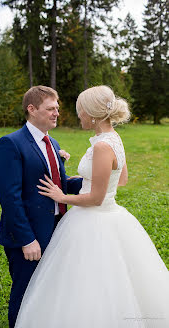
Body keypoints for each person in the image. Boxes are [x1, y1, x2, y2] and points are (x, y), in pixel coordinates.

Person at [15, 85, 169, 328]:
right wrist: (90, 180)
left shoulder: (101, 146)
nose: (79, 117)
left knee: (85, 279)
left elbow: (96, 198)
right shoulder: (114, 138)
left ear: (93, 114)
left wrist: (61, 196)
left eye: (81, 112)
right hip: (113, 214)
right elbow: (123, 179)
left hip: (92, 217)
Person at [0, 85, 82, 328]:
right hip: (29, 235)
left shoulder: (52, 142)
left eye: (57, 108)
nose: (56, 113)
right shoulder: (11, 143)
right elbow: (10, 197)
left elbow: (56, 183)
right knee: (25, 293)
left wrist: (93, 182)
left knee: (48, 291)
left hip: (56, 228)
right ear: (31, 109)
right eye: (50, 109)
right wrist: (27, 239)